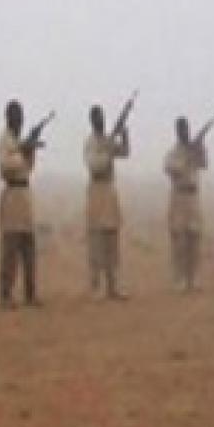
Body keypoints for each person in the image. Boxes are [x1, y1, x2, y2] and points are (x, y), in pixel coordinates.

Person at [0, 101, 41, 309]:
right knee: (10, 250)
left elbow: (28, 167)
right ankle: (5, 294)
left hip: (24, 194)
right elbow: (6, 166)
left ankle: (30, 293)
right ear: (8, 118)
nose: (19, 120)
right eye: (16, 116)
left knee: (29, 249)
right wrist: (23, 150)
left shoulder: (18, 141)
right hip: (12, 194)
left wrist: (30, 149)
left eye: (21, 116)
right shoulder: (3, 141)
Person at [85, 105, 130, 300]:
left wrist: (124, 135)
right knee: (97, 242)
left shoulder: (106, 139)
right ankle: (96, 286)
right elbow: (95, 166)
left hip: (109, 190)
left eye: (102, 117)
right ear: (92, 121)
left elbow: (124, 152)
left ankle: (113, 285)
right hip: (97, 191)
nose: (101, 121)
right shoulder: (91, 142)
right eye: (97, 118)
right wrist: (108, 149)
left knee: (112, 241)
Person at [165, 117, 207, 292]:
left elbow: (203, 164)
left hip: (193, 197)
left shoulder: (194, 149)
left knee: (194, 237)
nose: (185, 132)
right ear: (177, 132)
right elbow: (173, 169)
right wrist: (187, 155)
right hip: (179, 196)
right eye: (182, 129)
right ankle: (180, 278)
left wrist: (200, 147)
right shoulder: (173, 153)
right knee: (179, 239)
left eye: (187, 129)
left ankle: (194, 277)